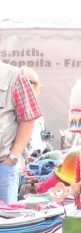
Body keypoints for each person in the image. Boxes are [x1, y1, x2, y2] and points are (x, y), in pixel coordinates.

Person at [0, 59, 40, 204]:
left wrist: (13, 157)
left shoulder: (14, 76)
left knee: (5, 216)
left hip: (3, 165)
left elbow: (28, 118)